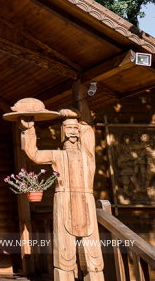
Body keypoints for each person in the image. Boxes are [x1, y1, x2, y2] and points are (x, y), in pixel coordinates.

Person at [18, 108, 104, 281]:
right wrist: (28, 129)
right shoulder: (58, 155)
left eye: (76, 129)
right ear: (61, 133)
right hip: (64, 202)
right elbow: (34, 155)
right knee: (64, 256)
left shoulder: (88, 156)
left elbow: (88, 132)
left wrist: (74, 114)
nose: (73, 133)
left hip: (86, 201)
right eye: (68, 129)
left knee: (94, 259)